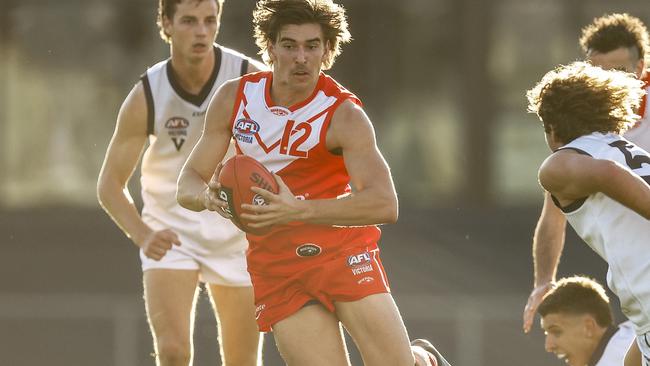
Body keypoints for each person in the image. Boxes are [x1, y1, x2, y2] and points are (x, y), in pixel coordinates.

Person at [177, 0, 417, 364]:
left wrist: (298, 209)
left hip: (344, 254)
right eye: (289, 45)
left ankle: (420, 360)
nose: (301, 57)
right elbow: (188, 183)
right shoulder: (234, 99)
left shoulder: (344, 115)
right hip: (278, 265)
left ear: (328, 50)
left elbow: (385, 203)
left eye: (312, 46)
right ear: (270, 47)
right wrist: (208, 200)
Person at [96, 0, 266, 365]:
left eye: (210, 20)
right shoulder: (148, 94)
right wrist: (144, 236)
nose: (201, 31)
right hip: (172, 228)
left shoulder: (249, 78)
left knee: (243, 360)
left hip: (236, 230)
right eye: (189, 21)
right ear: (166, 24)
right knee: (173, 352)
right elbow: (109, 184)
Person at [524, 13, 650, 334]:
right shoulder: (610, 142)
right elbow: (552, 216)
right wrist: (543, 282)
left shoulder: (567, 161)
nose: (609, 79)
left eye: (617, 71)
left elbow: (606, 173)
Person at [537, 276, 636, 366]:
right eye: (547, 333)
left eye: (556, 331)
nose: (548, 346)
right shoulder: (637, 331)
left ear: (589, 327)